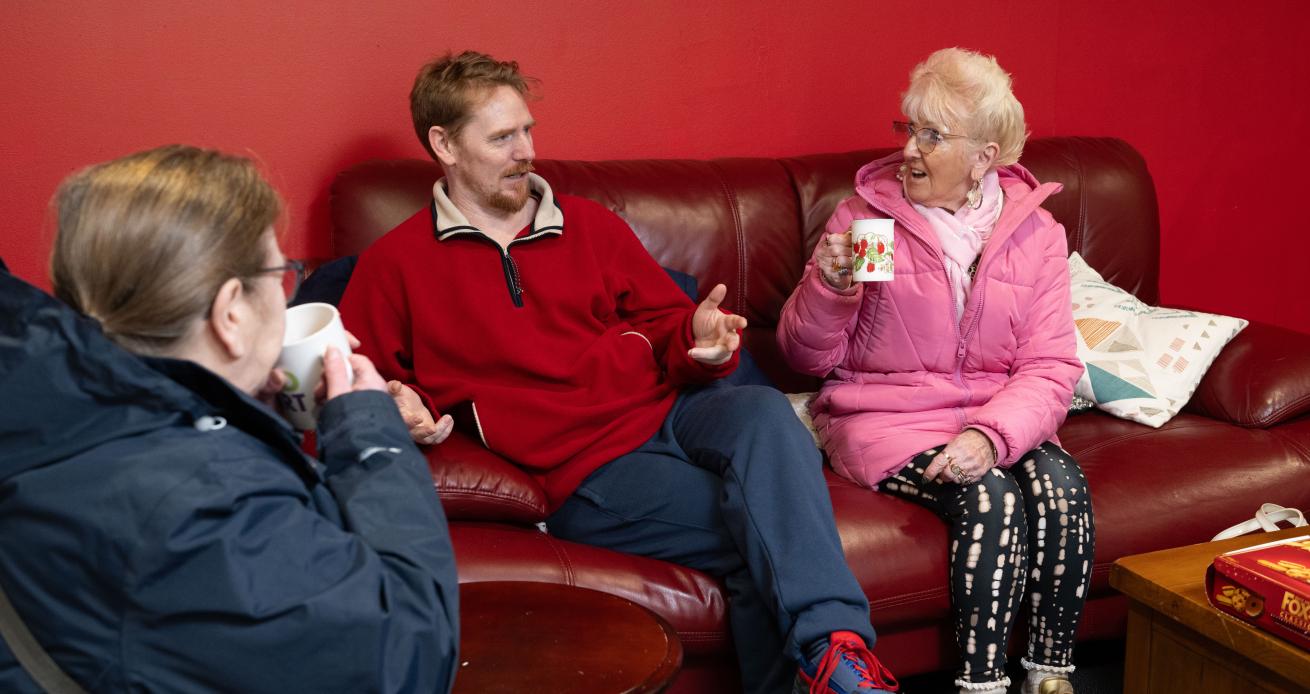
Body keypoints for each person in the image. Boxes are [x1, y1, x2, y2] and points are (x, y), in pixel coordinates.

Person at [340, 51, 897, 694]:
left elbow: (669, 325)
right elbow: (351, 381)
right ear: (444, 144)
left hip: (674, 408)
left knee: (765, 411)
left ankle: (836, 650)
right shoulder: (395, 265)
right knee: (761, 539)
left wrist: (699, 339)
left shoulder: (590, 226)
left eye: (527, 130)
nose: (525, 151)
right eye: (501, 137)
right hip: (591, 467)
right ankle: (837, 656)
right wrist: (394, 404)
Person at [0, 146, 459, 692]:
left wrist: (238, 398)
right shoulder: (206, 508)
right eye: (280, 273)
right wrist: (371, 437)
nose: (286, 287)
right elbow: (408, 657)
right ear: (230, 313)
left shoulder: (47, 386)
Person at [777, 48, 1094, 694]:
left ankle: (1050, 675)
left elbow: (1051, 365)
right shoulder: (869, 222)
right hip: (886, 418)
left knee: (1061, 482)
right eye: (908, 129)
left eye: (932, 135)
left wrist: (990, 436)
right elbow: (808, 359)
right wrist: (829, 289)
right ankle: (981, 685)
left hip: (991, 411)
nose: (910, 152)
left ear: (984, 157)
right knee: (990, 495)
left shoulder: (1036, 236)